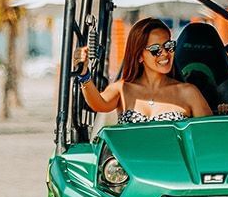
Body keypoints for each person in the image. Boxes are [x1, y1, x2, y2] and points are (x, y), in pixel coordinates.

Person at [73, 17, 212, 123]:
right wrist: (84, 74)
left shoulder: (188, 92)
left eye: (168, 45)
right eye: (155, 50)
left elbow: (209, 136)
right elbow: (98, 104)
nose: (164, 53)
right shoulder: (122, 89)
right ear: (139, 56)